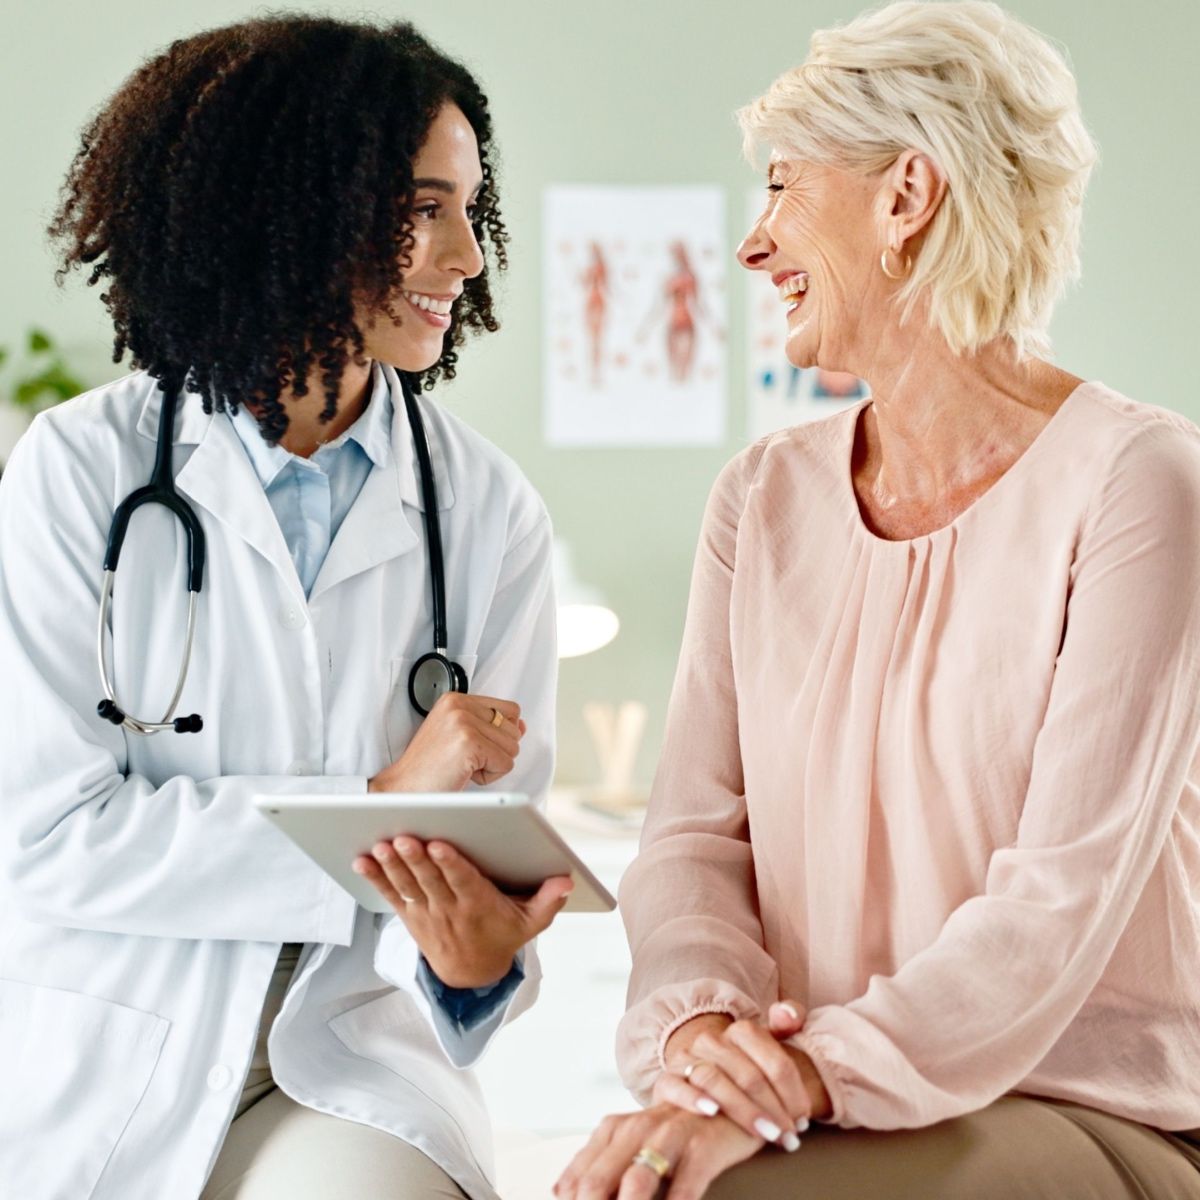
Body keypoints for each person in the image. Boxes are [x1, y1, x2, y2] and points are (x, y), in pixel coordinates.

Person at [557, 2, 1200, 1197]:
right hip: (820, 1093)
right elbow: (693, 843)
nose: (753, 246)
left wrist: (803, 1080)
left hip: (1085, 1108)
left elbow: (1058, 898)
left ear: (906, 197)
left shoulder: (1135, 480)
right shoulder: (761, 498)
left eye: (784, 188)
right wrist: (702, 1042)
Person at [0, 16, 571, 1200]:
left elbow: (494, 864)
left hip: (341, 1053)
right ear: (286, 207)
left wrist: (474, 967)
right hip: (105, 1051)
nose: (468, 256)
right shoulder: (76, 471)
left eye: (473, 207)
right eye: (425, 208)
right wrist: (375, 811)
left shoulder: (486, 514)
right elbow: (45, 836)